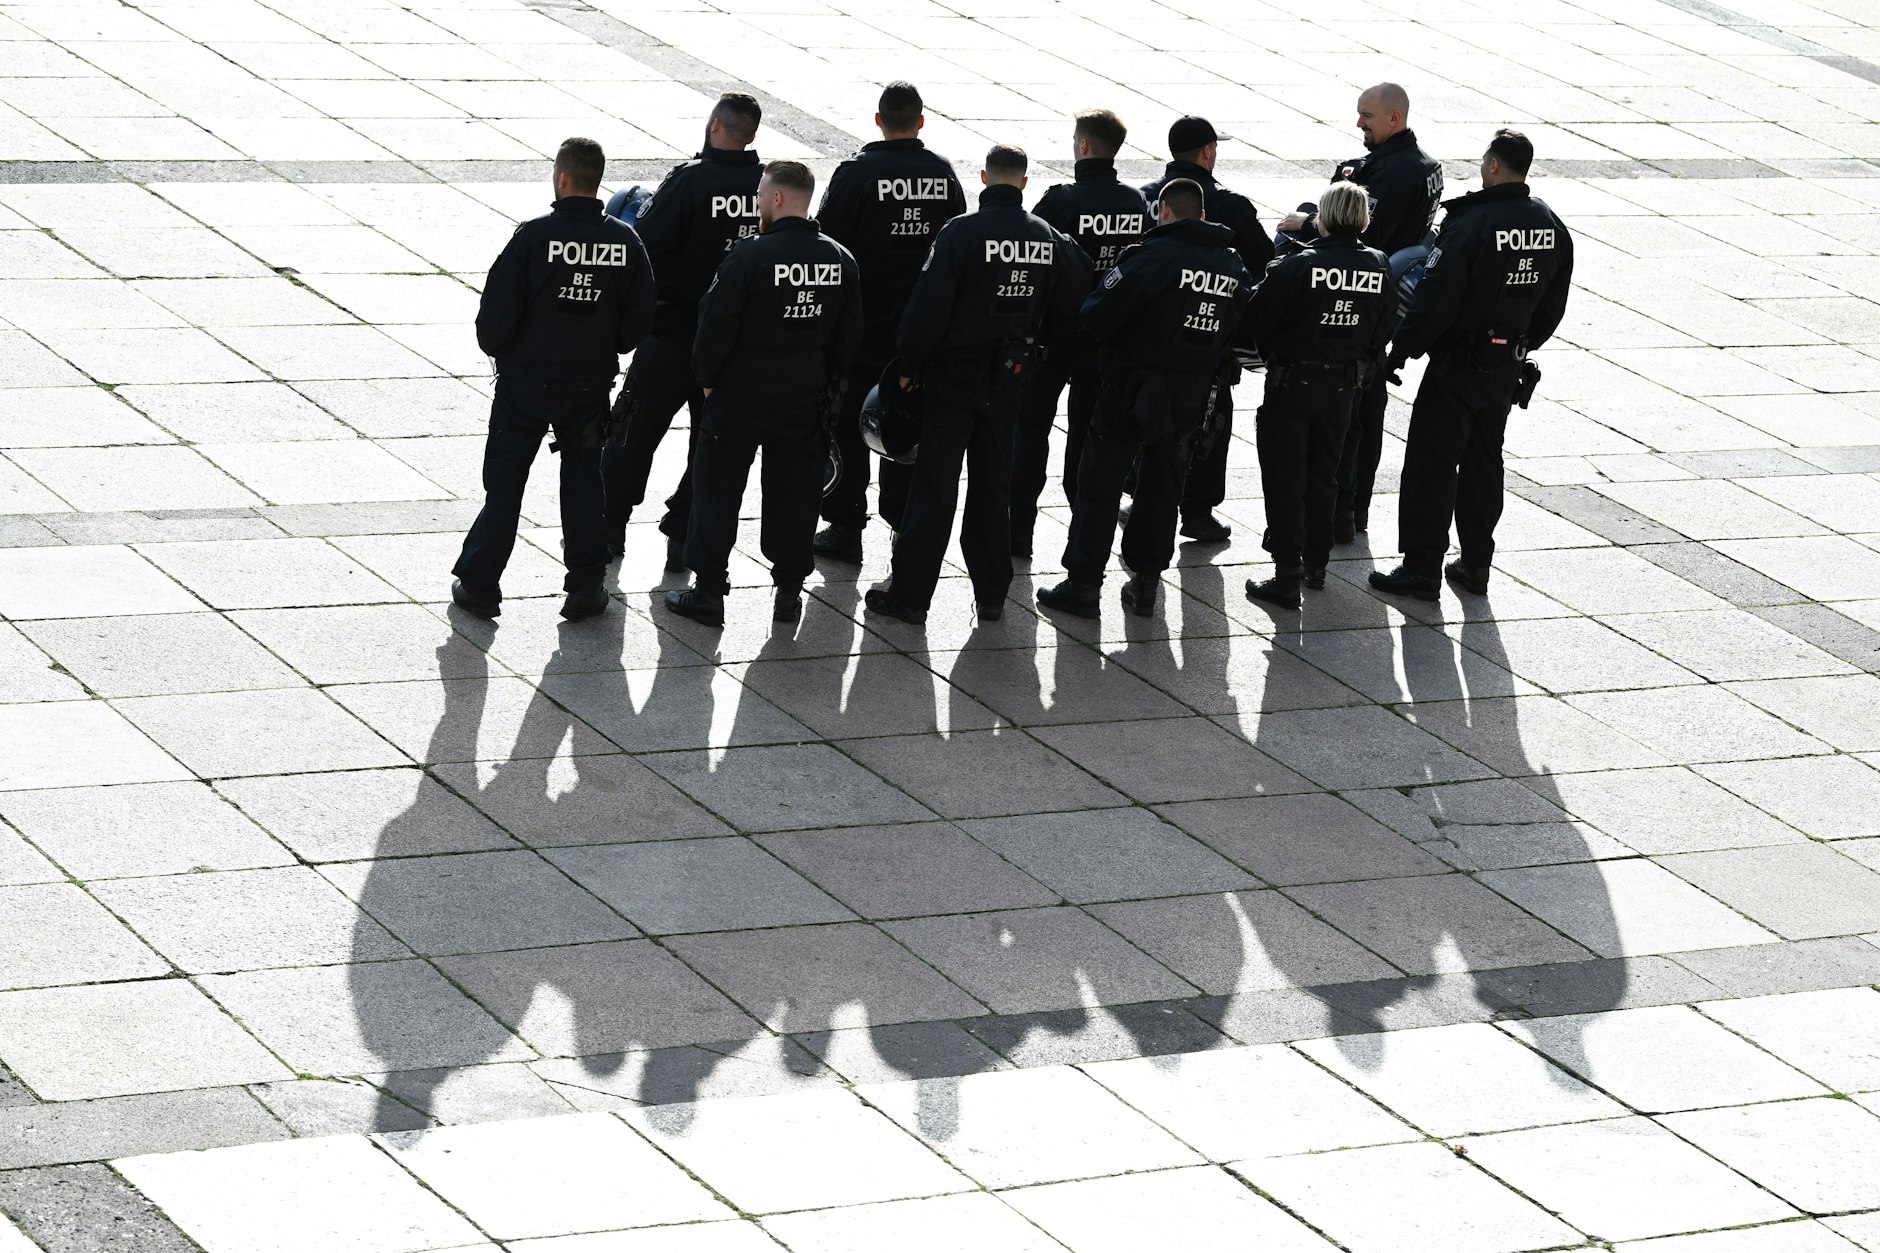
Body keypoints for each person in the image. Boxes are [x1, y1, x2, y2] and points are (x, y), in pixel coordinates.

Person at [865, 144, 1088, 625]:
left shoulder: (961, 233)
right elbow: (1076, 298)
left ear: (984, 178)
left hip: (954, 376)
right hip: (1010, 377)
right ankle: (991, 593)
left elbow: (927, 307)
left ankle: (910, 595)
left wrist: (907, 365)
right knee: (992, 486)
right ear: (1024, 183)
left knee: (934, 487)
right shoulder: (1049, 238)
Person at [453, 137, 655, 623]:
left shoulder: (533, 237)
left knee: (505, 485)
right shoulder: (625, 242)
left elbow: (493, 320)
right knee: (584, 481)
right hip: (587, 386)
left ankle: (481, 584)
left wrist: (508, 350)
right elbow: (637, 323)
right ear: (596, 180)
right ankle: (586, 585)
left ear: (562, 178)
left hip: (524, 383)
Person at [1370, 129, 1573, 601]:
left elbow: (1436, 299)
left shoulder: (1471, 223)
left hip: (1457, 366)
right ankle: (1476, 563)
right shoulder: (1551, 225)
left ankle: (1421, 566)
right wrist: (1520, 344)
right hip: (1506, 367)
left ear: (1494, 165)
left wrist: (1400, 351)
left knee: (1432, 463)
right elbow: (1553, 303)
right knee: (1485, 462)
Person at [1035, 178, 1252, 619]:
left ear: (1164, 212)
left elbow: (1097, 315)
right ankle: (1146, 583)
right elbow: (1242, 329)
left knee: (1100, 486)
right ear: (1204, 216)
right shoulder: (1232, 266)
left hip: (1130, 390)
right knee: (1162, 490)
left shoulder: (1150, 256)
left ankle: (1083, 585)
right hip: (1191, 395)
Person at [663, 161, 862, 627]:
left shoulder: (749, 258)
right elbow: (848, 337)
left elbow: (712, 330)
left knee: (716, 495)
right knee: (795, 498)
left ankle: (709, 592)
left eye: (759, 195)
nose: (756, 204)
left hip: (739, 397)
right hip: (802, 399)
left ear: (775, 199)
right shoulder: (840, 259)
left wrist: (709, 382)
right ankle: (788, 593)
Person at [599, 92, 764, 571]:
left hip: (672, 334)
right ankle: (685, 535)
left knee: (632, 429)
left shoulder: (690, 181)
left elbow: (641, 247)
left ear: (714, 125)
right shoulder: (766, 184)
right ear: (750, 135)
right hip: (733, 344)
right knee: (709, 444)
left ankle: (609, 526)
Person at [810, 82, 968, 565]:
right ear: (920, 121)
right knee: (904, 427)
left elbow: (828, 245)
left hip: (861, 327)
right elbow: (954, 245)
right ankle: (901, 526)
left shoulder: (857, 174)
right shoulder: (942, 174)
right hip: (916, 331)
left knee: (846, 426)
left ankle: (844, 525)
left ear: (879, 120)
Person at [1278, 83, 1443, 545]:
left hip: (1362, 297)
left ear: (1394, 118)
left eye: (1366, 115)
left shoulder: (1393, 172)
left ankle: (1339, 512)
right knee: (1366, 408)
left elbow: (1364, 231)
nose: (1358, 123)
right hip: (1383, 299)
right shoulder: (1426, 165)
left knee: (1351, 411)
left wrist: (1306, 225)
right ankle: (1354, 508)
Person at [1242, 183, 1395, 609]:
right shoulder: (1378, 265)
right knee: (1325, 476)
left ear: (1324, 216)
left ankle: (1286, 573)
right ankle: (1316, 564)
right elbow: (1384, 327)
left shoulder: (1298, 265)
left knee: (1286, 478)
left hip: (1293, 386)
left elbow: (1255, 320)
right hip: (1343, 390)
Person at [1008, 108, 1149, 558]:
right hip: (1106, 340)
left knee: (1029, 432)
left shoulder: (1061, 202)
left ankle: (1019, 533)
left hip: (1055, 336)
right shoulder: (1135, 203)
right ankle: (1083, 537)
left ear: (1083, 146)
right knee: (1090, 440)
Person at [1141, 116, 1274, 544]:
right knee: (1211, 420)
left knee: (1144, 411)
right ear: (1207, 152)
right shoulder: (1231, 205)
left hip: (1152, 337)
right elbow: (1263, 264)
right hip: (1210, 337)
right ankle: (1197, 510)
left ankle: (1142, 496)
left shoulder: (1143, 198)